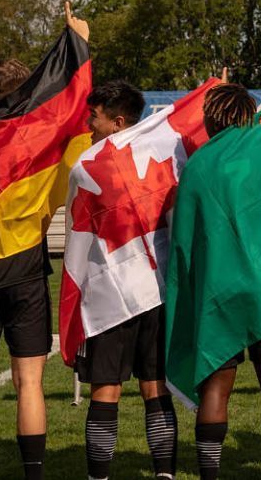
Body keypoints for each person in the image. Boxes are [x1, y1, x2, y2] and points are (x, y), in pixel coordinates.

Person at [0, 3, 88, 480]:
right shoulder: (42, 140)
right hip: (25, 270)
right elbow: (78, 121)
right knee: (30, 382)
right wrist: (79, 45)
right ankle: (33, 474)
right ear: (27, 91)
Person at [191, 81, 261, 480]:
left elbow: (186, 237)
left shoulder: (198, 165)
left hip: (217, 294)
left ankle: (209, 475)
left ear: (209, 119)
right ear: (248, 118)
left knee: (215, 391)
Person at [75, 80, 180, 480]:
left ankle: (99, 476)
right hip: (156, 290)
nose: (89, 123)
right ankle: (164, 474)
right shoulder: (162, 158)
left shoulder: (89, 166)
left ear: (118, 122)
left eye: (95, 117)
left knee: (107, 389)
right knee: (155, 387)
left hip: (111, 293)